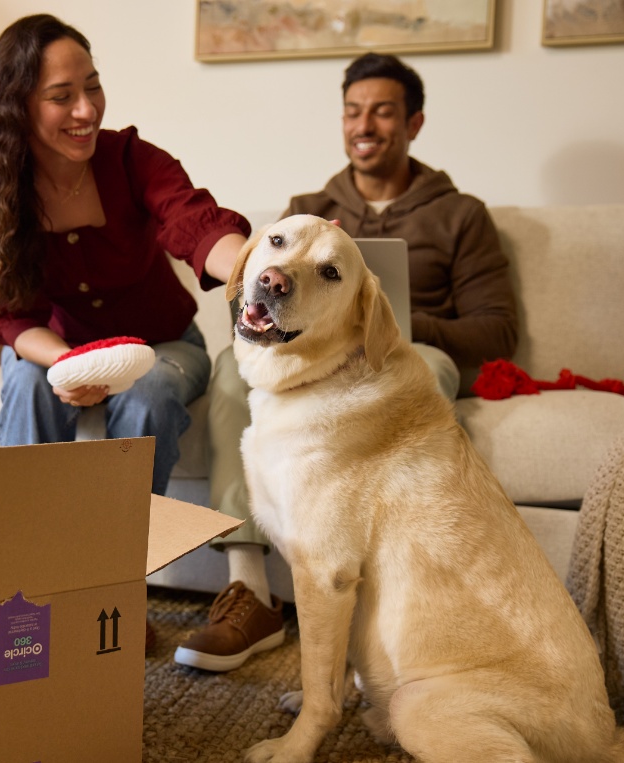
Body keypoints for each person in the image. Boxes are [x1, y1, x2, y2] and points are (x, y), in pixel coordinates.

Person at [174, 52, 519, 672]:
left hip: (407, 351)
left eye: (382, 112)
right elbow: (265, 299)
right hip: (312, 354)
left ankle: (392, 596)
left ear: (413, 124)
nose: (364, 125)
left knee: (429, 370)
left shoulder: (460, 214)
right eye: (353, 111)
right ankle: (249, 590)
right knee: (229, 367)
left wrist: (383, 320)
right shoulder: (310, 206)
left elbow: (497, 331)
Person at [0, 14, 249, 500]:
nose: (87, 110)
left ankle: (119, 543)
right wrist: (69, 364)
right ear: (17, 107)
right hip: (56, 345)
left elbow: (195, 223)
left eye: (92, 86)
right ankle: (26, 536)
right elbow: (10, 316)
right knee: (28, 385)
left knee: (149, 394)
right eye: (61, 96)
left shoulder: (132, 159)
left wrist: (259, 268)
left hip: (163, 345)